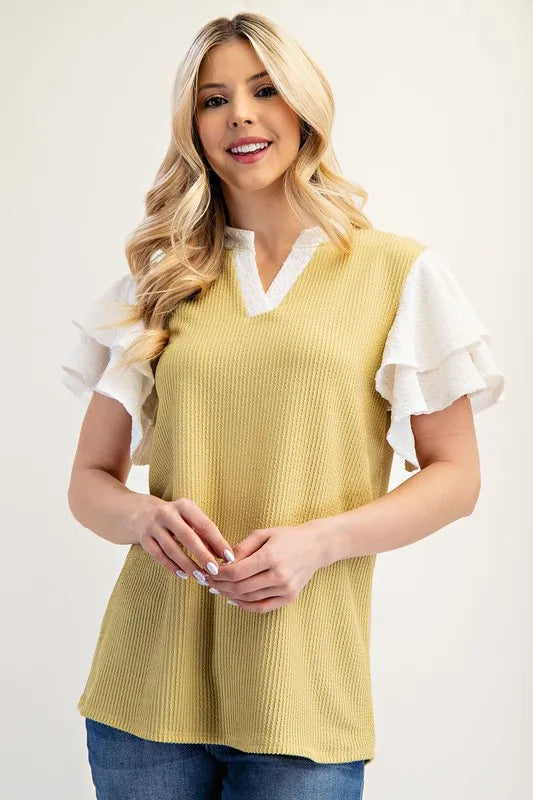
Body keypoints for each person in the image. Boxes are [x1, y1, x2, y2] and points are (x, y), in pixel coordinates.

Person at [61, 11, 505, 800]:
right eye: (213, 99)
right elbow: (88, 481)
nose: (240, 114)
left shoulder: (396, 273)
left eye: (264, 90)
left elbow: (456, 478)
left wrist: (319, 543)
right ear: (193, 126)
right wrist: (141, 517)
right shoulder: (161, 280)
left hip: (303, 699)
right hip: (143, 695)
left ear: (304, 106)